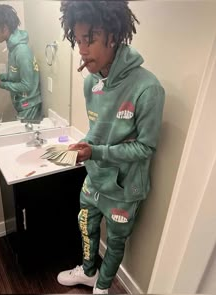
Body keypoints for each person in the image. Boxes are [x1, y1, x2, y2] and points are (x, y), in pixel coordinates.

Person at [57, 1, 165, 294]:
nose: (81, 49)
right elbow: (98, 128)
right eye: (78, 40)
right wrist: (86, 145)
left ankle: (102, 288)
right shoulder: (89, 81)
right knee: (86, 226)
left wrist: (97, 151)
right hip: (95, 177)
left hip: (125, 188)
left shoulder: (148, 89)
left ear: (114, 36)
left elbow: (144, 148)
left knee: (116, 242)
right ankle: (89, 272)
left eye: (89, 39)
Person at [0, 2, 42, 121]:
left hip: (29, 107)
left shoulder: (21, 51)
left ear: (4, 28)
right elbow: (15, 76)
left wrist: (1, 84)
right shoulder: (13, 48)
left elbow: (27, 85)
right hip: (23, 105)